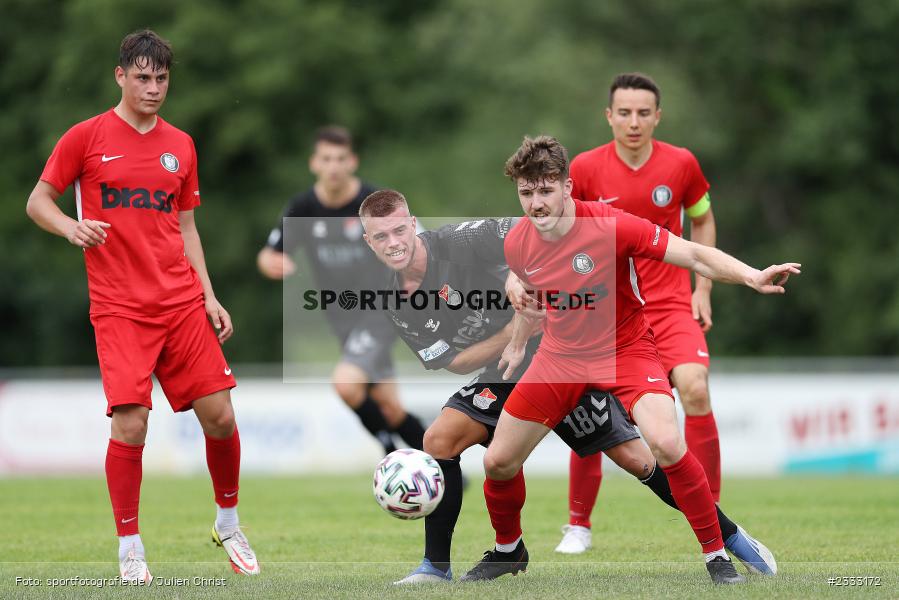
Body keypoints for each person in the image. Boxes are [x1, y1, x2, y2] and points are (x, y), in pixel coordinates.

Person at [359, 190, 777, 584]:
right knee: (441, 440)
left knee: (638, 459)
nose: (393, 242)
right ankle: (445, 565)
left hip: (562, 353)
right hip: (503, 369)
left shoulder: (459, 241)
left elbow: (526, 231)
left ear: (414, 224)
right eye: (381, 236)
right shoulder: (388, 296)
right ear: (369, 242)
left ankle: (729, 536)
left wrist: (516, 280)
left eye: (399, 230)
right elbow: (450, 361)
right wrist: (513, 334)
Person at [471, 135, 798, 584]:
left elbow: (695, 254)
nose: (536, 203)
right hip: (561, 357)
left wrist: (751, 275)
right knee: (498, 462)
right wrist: (517, 340)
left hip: (627, 348)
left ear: (567, 187)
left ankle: (716, 552)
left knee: (664, 443)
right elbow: (530, 295)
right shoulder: (518, 244)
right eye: (526, 193)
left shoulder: (612, 225)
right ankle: (508, 551)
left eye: (545, 190)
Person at [25, 30, 259, 582]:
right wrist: (70, 227)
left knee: (221, 416)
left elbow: (185, 225)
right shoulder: (86, 137)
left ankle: (228, 520)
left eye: (162, 79)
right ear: (121, 76)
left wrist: (209, 293)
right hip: (120, 307)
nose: (153, 88)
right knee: (131, 425)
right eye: (143, 77)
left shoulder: (182, 144)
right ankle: (130, 546)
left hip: (180, 301)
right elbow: (38, 201)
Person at [557, 72, 724, 555]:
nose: (634, 122)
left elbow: (703, 217)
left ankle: (711, 511)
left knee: (694, 386)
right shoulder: (586, 169)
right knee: (588, 406)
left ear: (658, 117)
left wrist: (704, 287)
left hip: (670, 303)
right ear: (609, 116)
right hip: (608, 311)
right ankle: (578, 525)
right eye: (624, 113)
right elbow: (567, 235)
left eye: (643, 113)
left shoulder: (681, 164)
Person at [257, 126, 426, 454]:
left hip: (383, 310)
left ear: (353, 162)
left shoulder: (375, 203)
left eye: (340, 158)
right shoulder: (302, 208)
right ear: (313, 163)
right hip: (343, 320)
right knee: (389, 408)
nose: (333, 166)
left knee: (347, 383)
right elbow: (268, 254)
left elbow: (420, 241)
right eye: (326, 159)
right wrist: (272, 263)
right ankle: (446, 465)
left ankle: (391, 455)